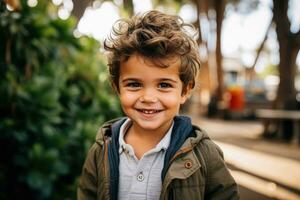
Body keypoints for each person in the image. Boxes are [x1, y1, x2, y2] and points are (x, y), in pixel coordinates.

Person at [77, 10, 239, 200]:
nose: (148, 97)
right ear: (117, 87)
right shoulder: (102, 149)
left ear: (185, 91)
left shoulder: (204, 154)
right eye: (134, 84)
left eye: (164, 85)